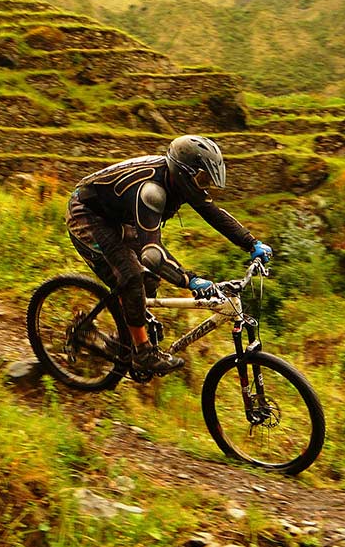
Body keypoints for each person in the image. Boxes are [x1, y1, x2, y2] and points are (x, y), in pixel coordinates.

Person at [65, 134, 273, 374]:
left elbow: (213, 213)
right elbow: (152, 254)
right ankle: (142, 353)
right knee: (132, 276)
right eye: (202, 178)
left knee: (149, 279)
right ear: (183, 172)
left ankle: (126, 337)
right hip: (87, 214)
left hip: (117, 215)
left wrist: (251, 243)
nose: (204, 185)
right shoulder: (151, 192)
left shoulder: (181, 181)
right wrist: (191, 280)